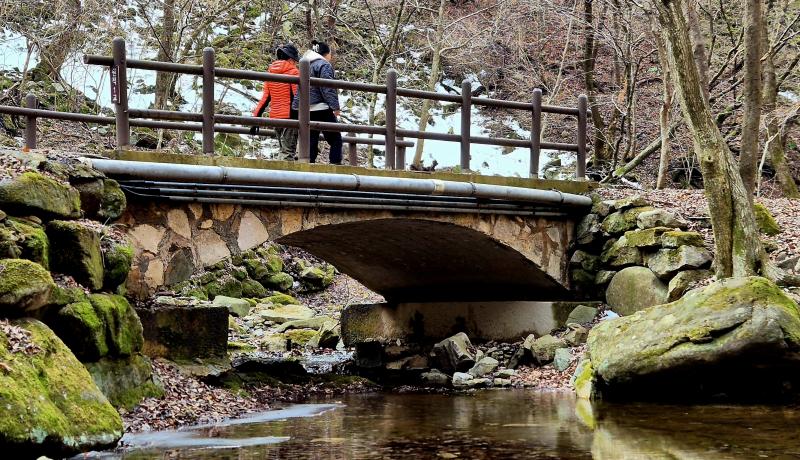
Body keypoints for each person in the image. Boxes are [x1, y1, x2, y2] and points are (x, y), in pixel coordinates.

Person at [291, 40, 343, 164]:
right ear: (326, 54)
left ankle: (309, 166)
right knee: (336, 139)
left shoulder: (307, 64)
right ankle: (335, 166)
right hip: (321, 107)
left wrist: (296, 106)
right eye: (330, 53)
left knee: (311, 139)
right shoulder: (323, 65)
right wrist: (335, 107)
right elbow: (327, 87)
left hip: (306, 109)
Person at [251, 44, 300, 161]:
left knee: (282, 149)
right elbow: (297, 98)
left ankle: (279, 176)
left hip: (276, 118)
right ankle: (284, 178)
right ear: (291, 59)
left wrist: (255, 119)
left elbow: (265, 99)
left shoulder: (271, 72)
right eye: (295, 61)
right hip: (290, 117)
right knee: (288, 151)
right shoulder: (294, 72)